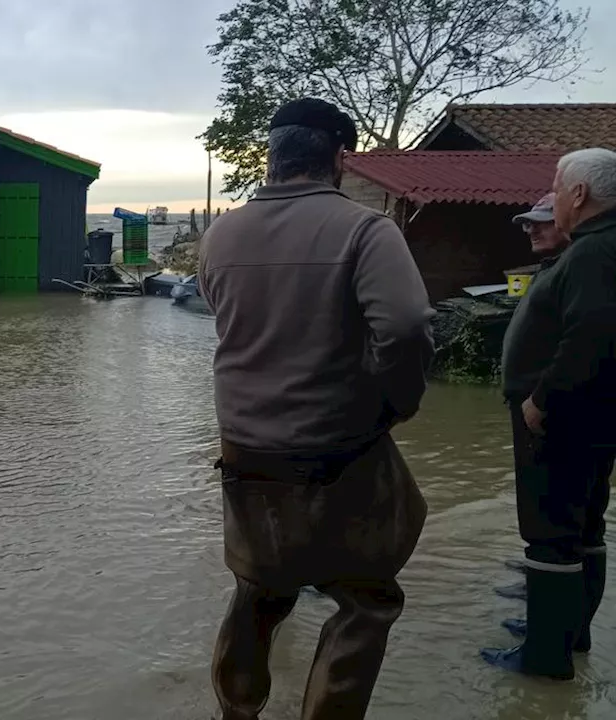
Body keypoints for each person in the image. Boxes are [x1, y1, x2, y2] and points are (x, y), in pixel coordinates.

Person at [198, 97, 433, 719]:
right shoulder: (365, 229)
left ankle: (236, 711)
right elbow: (406, 328)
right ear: (337, 157)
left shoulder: (221, 233)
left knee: (259, 588)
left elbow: (228, 323)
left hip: (245, 455)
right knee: (365, 599)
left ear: (271, 157)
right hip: (341, 452)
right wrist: (398, 402)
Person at [481, 148, 616, 680]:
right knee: (581, 530)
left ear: (579, 195)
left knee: (550, 536)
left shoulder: (592, 253)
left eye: (557, 190)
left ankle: (544, 660)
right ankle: (569, 637)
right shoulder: (598, 249)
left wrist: (543, 399)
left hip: (562, 419)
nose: (553, 201)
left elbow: (593, 334)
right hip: (591, 416)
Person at [495, 193, 569, 599]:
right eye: (527, 221)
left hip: (545, 407)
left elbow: (579, 344)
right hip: (531, 404)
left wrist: (540, 397)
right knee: (536, 504)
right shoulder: (554, 266)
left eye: (543, 220)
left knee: (549, 511)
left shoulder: (580, 267)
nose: (530, 228)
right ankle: (539, 578)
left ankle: (546, 628)